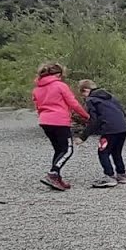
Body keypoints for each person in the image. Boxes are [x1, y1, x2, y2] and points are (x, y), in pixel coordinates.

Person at [31, 62, 89, 190]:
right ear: (58, 74)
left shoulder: (37, 88)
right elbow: (73, 104)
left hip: (45, 121)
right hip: (60, 121)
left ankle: (57, 178)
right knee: (68, 150)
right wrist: (86, 116)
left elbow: (37, 106)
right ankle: (53, 173)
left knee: (58, 149)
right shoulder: (60, 86)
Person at [77, 79, 126, 187]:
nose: (83, 97)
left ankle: (109, 176)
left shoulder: (91, 100)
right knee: (116, 152)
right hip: (123, 128)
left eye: (82, 94)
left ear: (86, 90)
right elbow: (122, 112)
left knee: (103, 152)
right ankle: (121, 174)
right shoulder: (111, 97)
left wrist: (83, 137)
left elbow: (94, 121)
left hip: (109, 129)